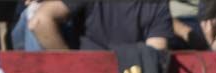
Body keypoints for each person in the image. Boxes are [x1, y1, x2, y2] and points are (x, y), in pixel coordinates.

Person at [27, 0, 171, 50]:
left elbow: (38, 22)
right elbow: (154, 55)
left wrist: (69, 64)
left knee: (30, 13)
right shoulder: (158, 4)